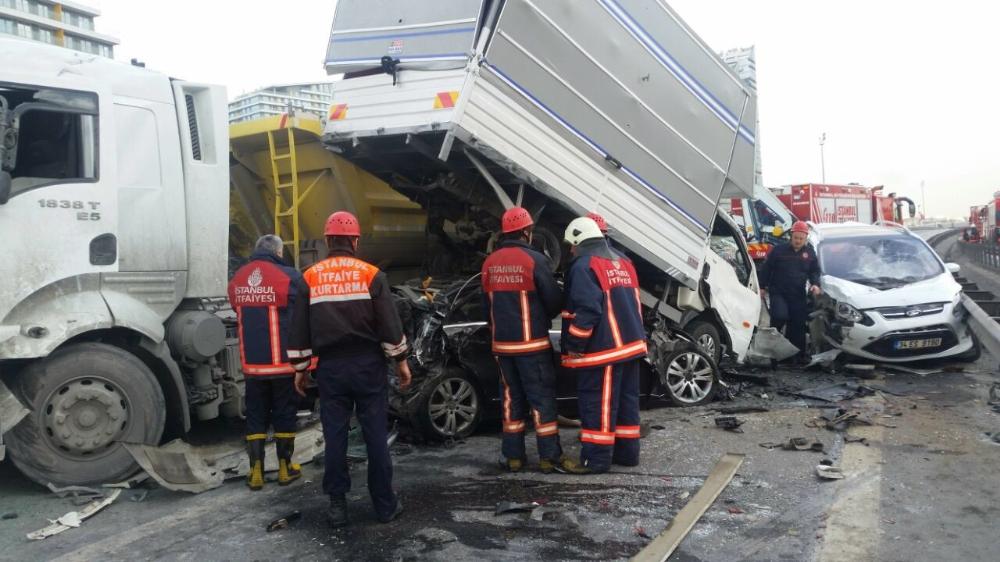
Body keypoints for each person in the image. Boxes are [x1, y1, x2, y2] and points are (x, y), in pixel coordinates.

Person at [287, 211, 412, 528]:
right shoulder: (372, 275)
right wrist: (401, 361)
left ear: (328, 240)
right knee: (375, 437)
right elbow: (389, 325)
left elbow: (299, 329)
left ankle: (337, 508)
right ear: (355, 241)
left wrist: (300, 368)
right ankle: (384, 507)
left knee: (335, 437)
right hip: (368, 366)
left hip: (331, 369)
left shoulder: (309, 277)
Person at [481, 207, 586, 474]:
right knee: (542, 401)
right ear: (526, 232)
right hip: (532, 347)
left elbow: (486, 305)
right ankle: (549, 457)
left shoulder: (489, 263)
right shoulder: (534, 260)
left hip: (502, 347)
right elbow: (553, 300)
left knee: (511, 400)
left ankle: (513, 457)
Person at [561, 217, 647, 473]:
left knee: (598, 405)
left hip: (604, 351)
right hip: (631, 345)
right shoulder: (624, 261)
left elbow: (588, 310)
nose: (571, 250)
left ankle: (596, 461)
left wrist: (575, 343)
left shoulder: (584, 266)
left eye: (571, 245)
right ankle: (627, 454)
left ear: (579, 240)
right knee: (626, 404)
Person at [227, 234, 306, 491]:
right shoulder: (289, 276)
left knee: (256, 414)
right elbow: (303, 309)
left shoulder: (238, 278)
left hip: (252, 365)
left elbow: (236, 306)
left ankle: (256, 471)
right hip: (282, 364)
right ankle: (285, 467)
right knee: (284, 412)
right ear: (278, 252)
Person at [758, 220, 821, 361]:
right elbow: (767, 268)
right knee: (780, 316)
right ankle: (772, 351)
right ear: (791, 236)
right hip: (778, 292)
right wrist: (761, 287)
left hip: (798, 294)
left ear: (806, 238)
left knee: (798, 324)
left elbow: (814, 271)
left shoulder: (809, 253)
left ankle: (795, 356)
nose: (798, 241)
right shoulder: (778, 251)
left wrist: (815, 284)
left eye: (801, 239)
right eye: (795, 238)